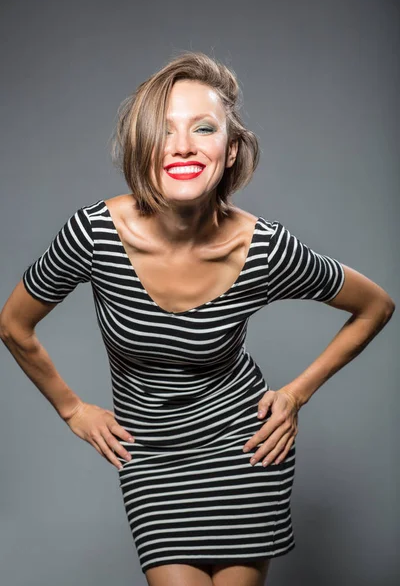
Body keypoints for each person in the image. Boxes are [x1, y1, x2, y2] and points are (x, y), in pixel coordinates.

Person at [0, 51, 395, 586]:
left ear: (230, 151)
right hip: (153, 461)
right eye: (164, 131)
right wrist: (73, 410)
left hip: (245, 450)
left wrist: (296, 393)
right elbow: (13, 325)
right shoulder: (94, 235)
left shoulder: (263, 249)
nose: (183, 145)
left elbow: (376, 305)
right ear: (145, 146)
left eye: (203, 128)